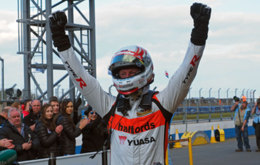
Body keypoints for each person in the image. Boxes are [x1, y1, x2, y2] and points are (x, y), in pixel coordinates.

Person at [49, 2, 211, 164]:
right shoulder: (110, 107)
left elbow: (186, 72)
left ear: (145, 71)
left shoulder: (162, 104)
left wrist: (199, 32)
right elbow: (81, 79)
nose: (126, 77)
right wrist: (61, 41)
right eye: (122, 73)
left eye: (131, 72)